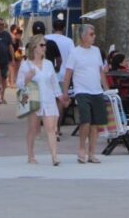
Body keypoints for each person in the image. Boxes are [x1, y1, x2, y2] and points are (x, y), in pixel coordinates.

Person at [60, 24, 108, 163]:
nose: (94, 36)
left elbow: (100, 71)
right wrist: (65, 93)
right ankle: (82, 148)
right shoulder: (75, 52)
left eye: (94, 34)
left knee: (95, 124)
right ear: (83, 36)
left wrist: (107, 89)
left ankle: (92, 153)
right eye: (91, 34)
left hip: (96, 91)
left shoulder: (96, 50)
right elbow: (68, 73)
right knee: (85, 121)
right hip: (82, 91)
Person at [18, 35, 62, 166]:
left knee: (51, 128)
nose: (44, 48)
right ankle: (30, 155)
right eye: (41, 45)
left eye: (45, 45)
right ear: (34, 47)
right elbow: (19, 84)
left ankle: (54, 156)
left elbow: (54, 83)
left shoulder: (48, 64)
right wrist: (27, 78)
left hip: (48, 100)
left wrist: (61, 97)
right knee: (33, 129)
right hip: (34, 100)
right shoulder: (26, 65)